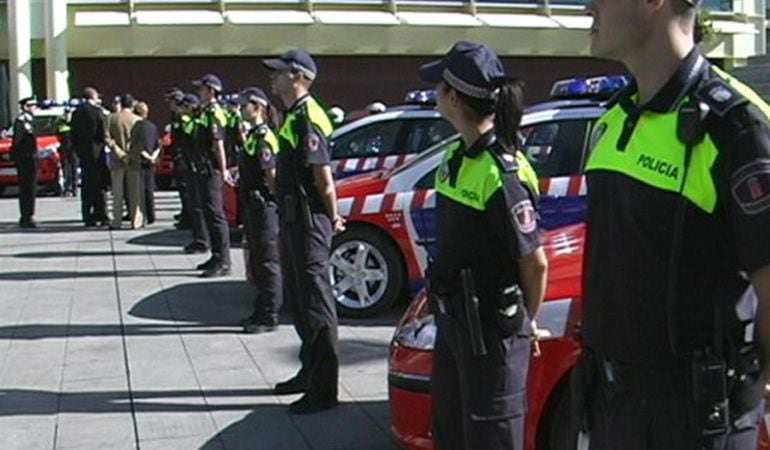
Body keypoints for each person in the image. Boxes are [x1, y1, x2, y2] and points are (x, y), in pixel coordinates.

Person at [572, 0, 770, 448]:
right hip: (609, 408)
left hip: (697, 422)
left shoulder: (736, 129)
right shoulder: (611, 121)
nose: (589, 5)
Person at [418, 41, 547, 450]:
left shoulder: (501, 172)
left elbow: (535, 263)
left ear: (453, 97)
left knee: (491, 439)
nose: (434, 93)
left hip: (491, 336)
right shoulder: (456, 156)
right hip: (454, 324)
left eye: (439, 87)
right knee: (451, 434)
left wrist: (526, 324)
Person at [264, 49, 343, 414]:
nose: (273, 78)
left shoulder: (308, 117)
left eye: (279, 73)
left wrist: (334, 216)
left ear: (297, 76)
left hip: (310, 219)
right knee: (299, 299)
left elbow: (323, 180)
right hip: (296, 218)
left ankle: (324, 389)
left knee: (316, 304)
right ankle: (309, 370)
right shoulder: (293, 115)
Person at [237, 87, 283, 334]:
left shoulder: (264, 137)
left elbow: (271, 176)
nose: (241, 109)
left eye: (244, 105)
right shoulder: (254, 136)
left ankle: (270, 314)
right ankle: (261, 308)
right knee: (257, 258)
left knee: (267, 261)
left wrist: (274, 204)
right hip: (254, 206)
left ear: (258, 107)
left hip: (264, 207)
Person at [191, 74, 233, 277]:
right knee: (208, 212)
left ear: (211, 91)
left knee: (215, 214)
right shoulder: (206, 112)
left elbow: (218, 145)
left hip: (211, 170)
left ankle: (224, 260)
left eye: (201, 89)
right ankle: (216, 255)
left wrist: (223, 170)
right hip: (203, 168)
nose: (199, 92)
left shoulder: (214, 113)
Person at [70, 87, 109, 227]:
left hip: (84, 154)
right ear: (93, 97)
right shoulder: (98, 112)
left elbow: (72, 135)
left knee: (86, 187)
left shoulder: (76, 113)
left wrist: (78, 151)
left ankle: (87, 216)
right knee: (100, 186)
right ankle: (101, 214)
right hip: (98, 154)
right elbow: (103, 133)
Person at [178, 93, 210, 253]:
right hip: (189, 165)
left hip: (195, 166)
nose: (181, 109)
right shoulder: (189, 122)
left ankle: (202, 240)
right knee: (194, 204)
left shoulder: (195, 122)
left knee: (198, 205)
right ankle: (199, 237)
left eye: (184, 106)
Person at [106, 94, 140, 230]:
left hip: (116, 158)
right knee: (134, 192)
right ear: (132, 105)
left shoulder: (111, 118)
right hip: (133, 159)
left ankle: (117, 221)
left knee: (117, 192)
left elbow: (107, 138)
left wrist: (119, 152)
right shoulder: (137, 120)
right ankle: (136, 221)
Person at [10, 96, 40, 228]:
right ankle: (26, 216)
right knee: (26, 189)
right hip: (25, 161)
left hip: (31, 160)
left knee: (31, 189)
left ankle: (29, 214)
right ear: (25, 107)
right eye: (32, 105)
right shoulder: (20, 122)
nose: (34, 108)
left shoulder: (30, 121)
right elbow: (17, 143)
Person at [131, 101, 160, 225]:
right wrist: (153, 156)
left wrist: (146, 156)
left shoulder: (137, 126)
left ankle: (143, 216)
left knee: (141, 190)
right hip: (152, 161)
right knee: (150, 189)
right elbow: (157, 145)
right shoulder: (152, 126)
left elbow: (137, 145)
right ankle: (152, 214)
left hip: (141, 161)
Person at [57, 107, 77, 197]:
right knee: (66, 169)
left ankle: (74, 188)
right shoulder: (61, 122)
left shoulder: (75, 122)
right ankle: (67, 188)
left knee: (73, 169)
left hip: (72, 149)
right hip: (65, 149)